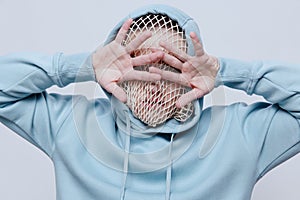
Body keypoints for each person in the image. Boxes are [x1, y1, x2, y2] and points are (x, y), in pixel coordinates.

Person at [0, 4, 300, 200]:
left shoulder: (237, 135)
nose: (156, 81)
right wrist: (85, 66)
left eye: (172, 67)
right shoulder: (73, 127)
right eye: (139, 67)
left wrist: (229, 73)